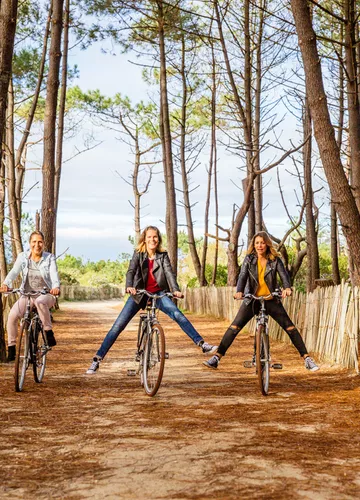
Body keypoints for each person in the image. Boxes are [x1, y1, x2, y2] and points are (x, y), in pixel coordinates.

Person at [86, 226, 217, 374]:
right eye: (149, 237)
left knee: (177, 314)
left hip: (158, 293)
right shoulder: (138, 254)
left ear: (158, 239)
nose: (152, 239)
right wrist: (129, 286)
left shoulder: (163, 255)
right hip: (139, 294)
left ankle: (201, 343)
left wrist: (175, 290)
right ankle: (97, 359)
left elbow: (169, 273)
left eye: (155, 237)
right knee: (118, 326)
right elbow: (131, 270)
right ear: (144, 239)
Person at [203, 231, 319, 372]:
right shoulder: (249, 259)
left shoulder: (275, 260)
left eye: (262, 242)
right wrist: (239, 291)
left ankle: (307, 359)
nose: (260, 245)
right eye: (257, 243)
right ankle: (216, 358)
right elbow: (243, 276)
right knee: (234, 327)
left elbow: (283, 275)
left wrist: (287, 288)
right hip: (252, 299)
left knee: (290, 327)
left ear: (267, 244)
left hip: (271, 299)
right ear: (254, 245)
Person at [0, 230, 60, 361]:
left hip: (46, 295)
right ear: (29, 243)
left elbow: (54, 274)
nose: (37, 245)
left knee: (40, 302)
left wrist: (55, 287)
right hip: (27, 295)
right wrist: (5, 283)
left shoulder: (49, 258)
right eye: (34, 242)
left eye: (40, 242)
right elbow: (14, 271)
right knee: (12, 316)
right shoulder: (23, 257)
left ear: (43, 244)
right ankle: (11, 347)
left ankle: (48, 332)